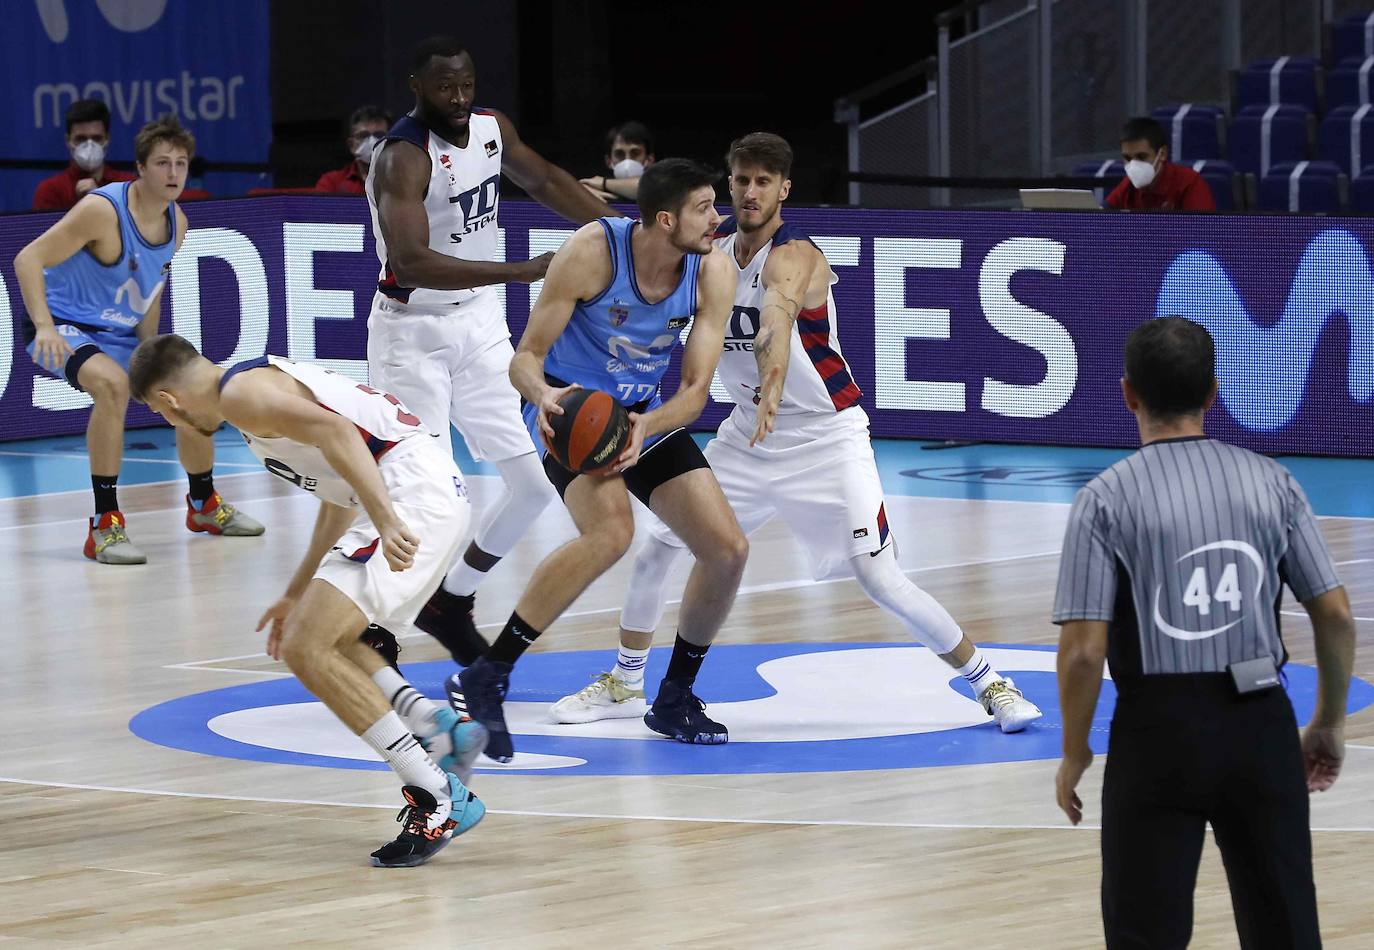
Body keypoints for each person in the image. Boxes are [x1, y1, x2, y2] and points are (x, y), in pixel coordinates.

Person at [551, 133, 1042, 734]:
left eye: (764, 181)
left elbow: (775, 321)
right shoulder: (706, 259)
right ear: (727, 186)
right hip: (748, 437)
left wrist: (774, 381)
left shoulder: (798, 255)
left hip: (825, 437)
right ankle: (627, 680)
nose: (750, 191)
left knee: (878, 575)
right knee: (660, 547)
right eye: (741, 180)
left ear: (784, 188)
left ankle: (990, 682)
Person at [127, 335, 489, 868]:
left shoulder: (242, 395)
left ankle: (435, 793)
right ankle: (434, 731)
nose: (170, 423)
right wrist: (296, 592)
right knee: (324, 638)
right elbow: (339, 500)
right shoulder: (250, 395)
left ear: (168, 400)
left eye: (161, 414)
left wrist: (387, 518)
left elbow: (339, 430)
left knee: (308, 647)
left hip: (411, 493)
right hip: (409, 488)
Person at [1052, 317, 1355, 948]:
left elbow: (1083, 653)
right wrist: (1327, 721)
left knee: (1147, 933)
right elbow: (1335, 615)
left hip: (1156, 734)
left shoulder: (1105, 499)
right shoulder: (1274, 481)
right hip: (1259, 722)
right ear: (1213, 393)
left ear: (1128, 393)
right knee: (1286, 927)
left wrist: (1075, 751)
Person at [449, 158, 745, 762]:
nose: (718, 218)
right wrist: (545, 399)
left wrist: (646, 426)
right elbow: (525, 357)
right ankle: (488, 673)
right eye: (703, 208)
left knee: (727, 550)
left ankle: (674, 696)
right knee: (612, 532)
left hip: (642, 414)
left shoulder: (713, 268)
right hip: (570, 411)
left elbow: (695, 393)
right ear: (665, 220)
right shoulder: (591, 250)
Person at [364, 35, 621, 670]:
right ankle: (377, 628)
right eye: (445, 86)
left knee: (533, 486)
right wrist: (524, 271)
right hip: (411, 332)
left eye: (467, 85)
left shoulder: (490, 128)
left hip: (477, 326)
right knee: (418, 495)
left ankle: (451, 599)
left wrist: (619, 230)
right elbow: (410, 261)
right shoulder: (402, 156)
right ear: (416, 86)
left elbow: (546, 179)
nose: (458, 97)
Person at [15, 115, 263, 564]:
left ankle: (204, 505)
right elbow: (27, 258)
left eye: (181, 164)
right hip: (61, 323)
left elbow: (152, 287)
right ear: (140, 169)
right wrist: (46, 326)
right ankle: (104, 526)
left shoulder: (178, 222)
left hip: (119, 332)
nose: (173, 173)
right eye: (162, 163)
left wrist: (150, 350)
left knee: (193, 387)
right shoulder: (102, 211)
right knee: (111, 387)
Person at [32, 99, 136, 212]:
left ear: (107, 139)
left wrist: (101, 200)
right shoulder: (50, 191)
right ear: (68, 140)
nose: (89, 146)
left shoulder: (127, 185)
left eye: (97, 138)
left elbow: (135, 227)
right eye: (81, 139)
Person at [1106, 117, 1215, 211]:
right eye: (1127, 158)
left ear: (1162, 154)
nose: (1134, 165)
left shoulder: (1190, 183)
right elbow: (1101, 216)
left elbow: (1202, 232)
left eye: (1141, 157)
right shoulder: (1128, 185)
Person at [315, 105, 391, 194]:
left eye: (379, 135)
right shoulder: (331, 182)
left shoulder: (402, 180)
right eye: (363, 136)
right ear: (351, 145)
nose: (372, 142)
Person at [581, 120, 655, 203]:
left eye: (635, 153)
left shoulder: (662, 188)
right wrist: (582, 192)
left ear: (649, 160)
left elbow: (647, 188)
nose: (628, 160)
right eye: (619, 154)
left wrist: (603, 183)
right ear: (609, 161)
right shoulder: (595, 191)